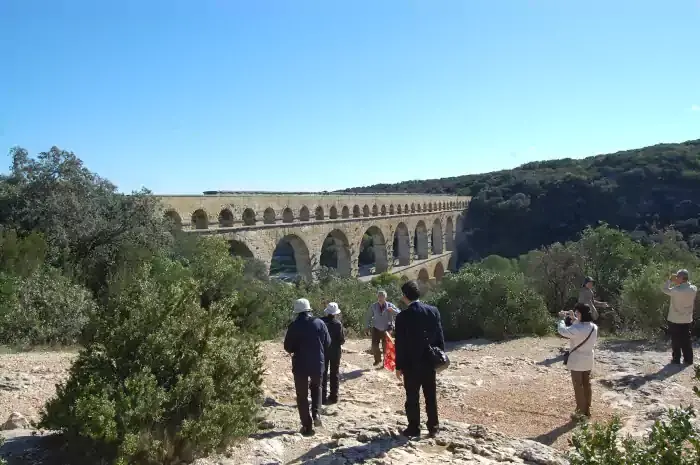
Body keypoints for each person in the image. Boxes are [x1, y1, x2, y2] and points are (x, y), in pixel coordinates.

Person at [394, 280, 444, 438]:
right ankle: (433, 427)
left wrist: (398, 366)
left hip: (411, 364)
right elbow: (439, 337)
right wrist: (439, 356)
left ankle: (414, 428)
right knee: (430, 396)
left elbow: (400, 344)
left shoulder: (402, 316)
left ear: (404, 296)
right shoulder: (433, 311)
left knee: (412, 397)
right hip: (429, 361)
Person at [283, 298, 331, 436]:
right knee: (317, 389)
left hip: (300, 365)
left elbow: (288, 347)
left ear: (297, 312)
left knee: (302, 396)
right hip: (317, 363)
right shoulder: (320, 323)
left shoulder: (293, 326)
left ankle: (307, 426)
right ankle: (316, 415)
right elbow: (327, 342)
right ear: (309, 310)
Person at [557, 303, 598, 420]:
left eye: (577, 313)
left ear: (580, 314)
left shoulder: (576, 329)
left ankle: (580, 412)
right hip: (588, 360)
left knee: (578, 386)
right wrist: (574, 318)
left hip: (577, 361)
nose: (575, 315)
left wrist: (561, 319)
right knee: (587, 384)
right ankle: (587, 410)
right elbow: (581, 327)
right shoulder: (593, 327)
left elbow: (562, 331)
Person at [662, 269, 698, 365]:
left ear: (681, 278)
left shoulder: (676, 290)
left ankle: (676, 359)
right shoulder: (693, 289)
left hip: (675, 319)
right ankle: (688, 359)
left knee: (676, 340)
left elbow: (665, 289)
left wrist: (670, 280)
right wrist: (679, 281)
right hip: (687, 319)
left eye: (678, 277)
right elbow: (689, 285)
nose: (676, 278)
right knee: (686, 339)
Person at [365, 290, 399, 366]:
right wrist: (366, 327)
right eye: (379, 296)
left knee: (386, 346)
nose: (380, 298)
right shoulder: (373, 306)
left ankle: (385, 362)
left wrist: (393, 311)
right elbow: (368, 317)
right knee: (374, 346)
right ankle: (377, 359)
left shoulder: (390, 305)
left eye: (382, 296)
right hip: (376, 328)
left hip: (387, 328)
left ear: (385, 297)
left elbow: (399, 313)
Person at [321, 302, 345, 405]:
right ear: (336, 313)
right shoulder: (338, 324)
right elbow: (342, 340)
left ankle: (322, 397)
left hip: (323, 350)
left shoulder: (321, 322)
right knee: (334, 374)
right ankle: (334, 397)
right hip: (335, 351)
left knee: (323, 373)